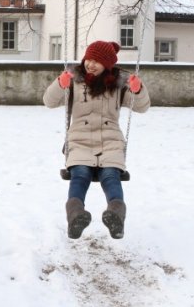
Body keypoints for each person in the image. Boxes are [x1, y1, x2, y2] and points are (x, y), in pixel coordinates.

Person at [43, 40, 150, 240]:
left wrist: (138, 89)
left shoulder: (118, 85)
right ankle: (76, 216)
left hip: (110, 141)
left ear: (108, 65)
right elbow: (48, 101)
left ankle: (116, 215)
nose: (91, 64)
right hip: (79, 139)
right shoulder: (74, 80)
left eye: (97, 61)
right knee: (80, 174)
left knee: (111, 175)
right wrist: (59, 84)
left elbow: (142, 107)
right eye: (89, 59)